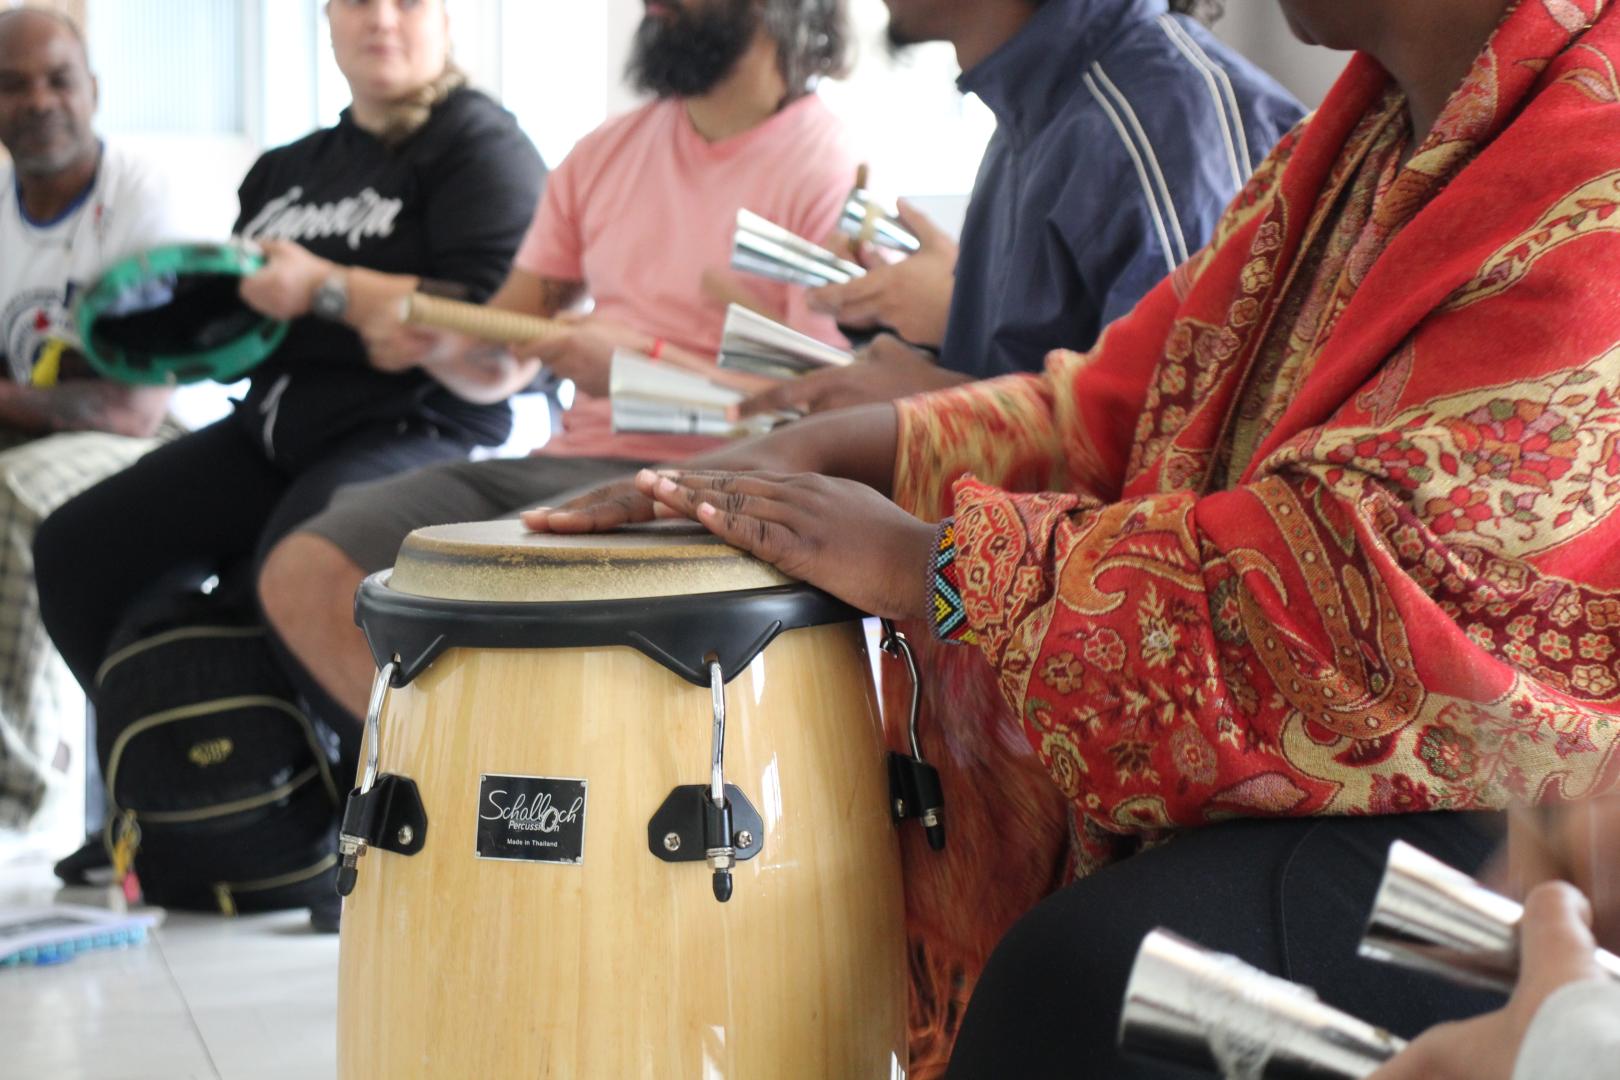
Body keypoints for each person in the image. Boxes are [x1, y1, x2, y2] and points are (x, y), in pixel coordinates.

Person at [527, 0, 1620, 1073]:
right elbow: (1115, 403)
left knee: (1095, 983)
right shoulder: (1365, 140)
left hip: (1527, 837)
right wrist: (833, 452)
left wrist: (938, 568)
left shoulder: (1590, 168)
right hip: (1344, 769)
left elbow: (1367, 625)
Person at [251, 0, 859, 761]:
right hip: (574, 461)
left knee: (516, 574)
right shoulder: (606, 153)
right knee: (308, 569)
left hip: (726, 481)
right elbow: (502, 357)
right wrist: (425, 336)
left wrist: (648, 367)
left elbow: (824, 416)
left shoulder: (827, 167)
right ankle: (453, 795)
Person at [32, 0, 544, 777]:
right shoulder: (286, 169)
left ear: (446, 20)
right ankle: (177, 791)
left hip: (421, 431)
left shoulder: (479, 145)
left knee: (293, 566)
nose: (381, 21)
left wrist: (325, 287)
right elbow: (245, 331)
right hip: (272, 433)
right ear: (327, 20)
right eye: (357, 3)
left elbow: (491, 334)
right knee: (75, 550)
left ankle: (381, 812)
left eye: (407, 2)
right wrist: (161, 324)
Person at [743, 0, 1301, 418]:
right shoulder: (1034, 109)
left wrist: (931, 406)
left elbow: (1180, 453)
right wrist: (928, 335)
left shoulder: (1161, 122)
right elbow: (1042, 371)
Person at [0, 7, 182, 842]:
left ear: (93, 91)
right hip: (44, 433)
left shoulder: (139, 195)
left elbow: (130, 404)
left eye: (57, 79)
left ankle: (16, 800)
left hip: (146, 445)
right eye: (13, 85)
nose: (38, 101)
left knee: (9, 494)